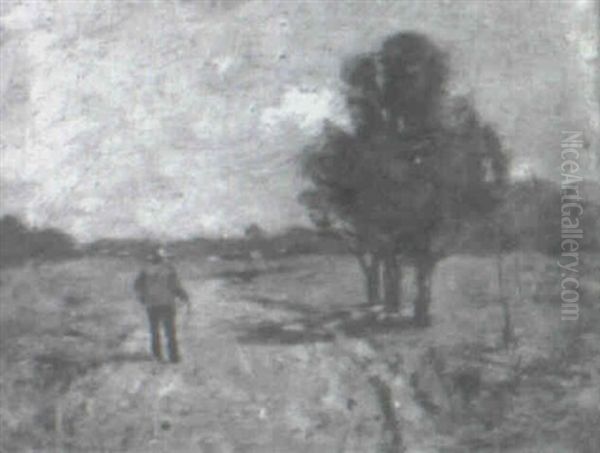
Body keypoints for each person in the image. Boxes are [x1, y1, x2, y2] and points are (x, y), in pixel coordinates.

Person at [134, 247, 189, 363]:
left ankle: (157, 355)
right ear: (163, 258)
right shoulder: (169, 269)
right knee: (170, 331)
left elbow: (137, 286)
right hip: (167, 303)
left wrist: (143, 297)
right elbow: (176, 286)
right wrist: (184, 297)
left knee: (154, 331)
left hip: (152, 304)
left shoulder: (145, 270)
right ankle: (174, 357)